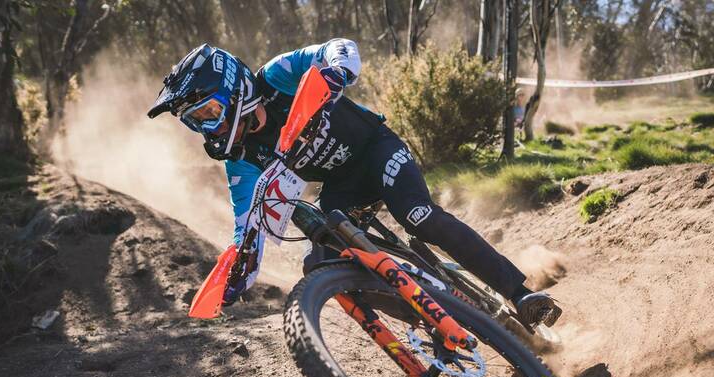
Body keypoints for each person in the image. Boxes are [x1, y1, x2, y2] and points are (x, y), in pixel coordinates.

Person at [147, 40, 561, 327]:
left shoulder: (275, 78)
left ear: (234, 88)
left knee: (418, 216)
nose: (207, 127)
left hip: (376, 149)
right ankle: (431, 319)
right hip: (342, 186)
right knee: (320, 263)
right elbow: (247, 227)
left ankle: (520, 294)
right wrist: (238, 272)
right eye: (195, 122)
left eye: (208, 112)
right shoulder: (240, 160)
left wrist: (336, 71)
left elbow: (338, 48)